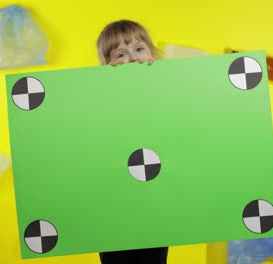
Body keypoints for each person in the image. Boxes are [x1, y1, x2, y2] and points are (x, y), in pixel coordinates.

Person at [95, 19, 169, 264]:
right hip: (114, 205)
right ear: (107, 65)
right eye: (120, 54)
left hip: (154, 204)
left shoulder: (165, 92)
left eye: (139, 49)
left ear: (151, 53)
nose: (133, 58)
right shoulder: (100, 100)